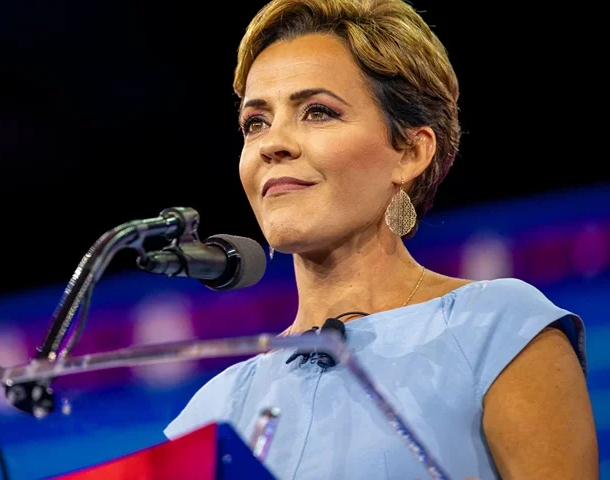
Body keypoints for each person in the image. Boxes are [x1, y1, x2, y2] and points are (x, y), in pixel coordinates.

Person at [163, 0, 598, 478]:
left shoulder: (496, 328)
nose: (272, 144)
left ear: (410, 153)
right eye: (255, 123)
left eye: (318, 112)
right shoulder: (214, 412)